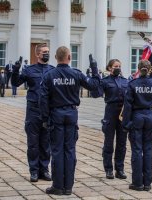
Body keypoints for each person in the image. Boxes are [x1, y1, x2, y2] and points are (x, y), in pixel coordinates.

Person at [39, 46, 100, 195]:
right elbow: (94, 86)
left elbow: (43, 99)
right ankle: (68, 187)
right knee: (70, 150)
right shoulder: (76, 74)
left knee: (57, 151)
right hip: (72, 114)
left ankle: (58, 186)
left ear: (55, 57)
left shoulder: (49, 75)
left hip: (56, 115)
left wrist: (45, 118)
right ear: (70, 57)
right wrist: (94, 68)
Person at [122, 60, 152, 191]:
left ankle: (137, 183)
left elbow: (128, 106)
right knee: (148, 150)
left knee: (137, 150)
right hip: (149, 117)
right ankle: (147, 183)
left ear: (138, 69)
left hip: (137, 117)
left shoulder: (132, 84)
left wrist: (126, 123)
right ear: (149, 70)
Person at [11, 43, 54, 182]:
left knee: (46, 143)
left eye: (48, 51)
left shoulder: (53, 70)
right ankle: (34, 171)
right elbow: (15, 83)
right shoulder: (29, 70)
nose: (46, 54)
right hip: (33, 110)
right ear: (37, 54)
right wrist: (16, 70)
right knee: (33, 143)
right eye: (43, 52)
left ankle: (45, 170)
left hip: (47, 111)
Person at [91, 59, 129, 179]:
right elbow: (96, 94)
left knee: (122, 143)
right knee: (108, 143)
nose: (118, 68)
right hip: (110, 112)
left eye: (119, 66)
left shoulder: (125, 81)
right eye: (115, 66)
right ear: (109, 68)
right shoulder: (105, 81)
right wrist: (95, 74)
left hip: (122, 114)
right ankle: (108, 169)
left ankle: (120, 169)